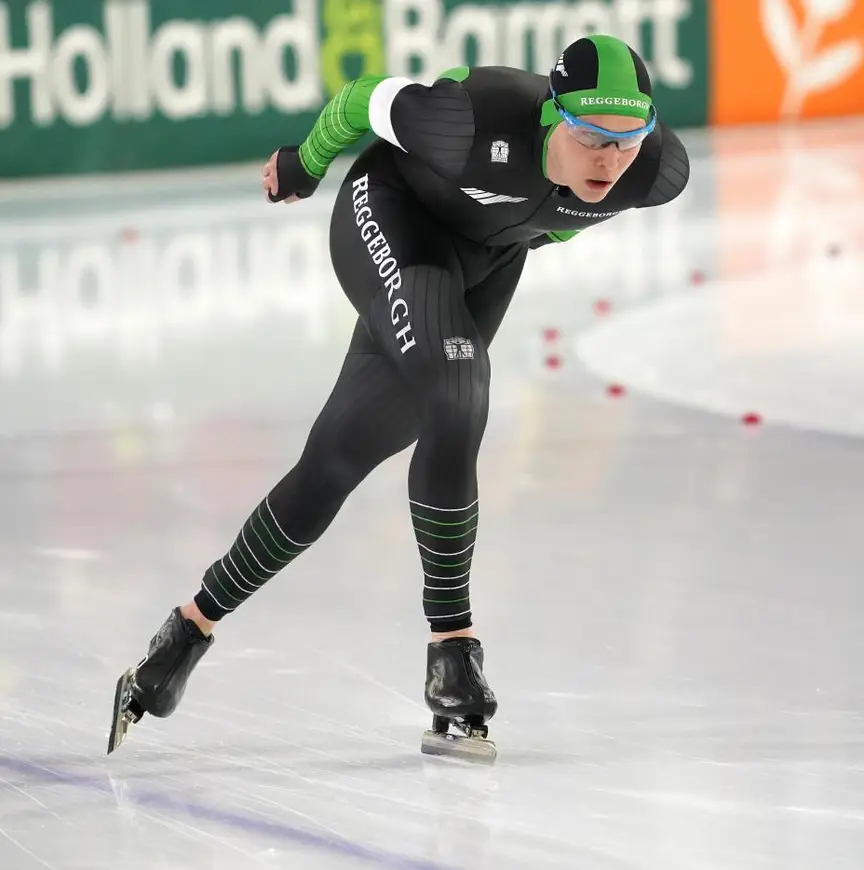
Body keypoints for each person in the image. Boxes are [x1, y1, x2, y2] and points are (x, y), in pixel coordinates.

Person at [108, 34, 690, 762]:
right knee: (458, 390)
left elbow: (562, 213)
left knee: (335, 460)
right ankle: (453, 652)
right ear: (551, 116)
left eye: (626, 140)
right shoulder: (468, 122)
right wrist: (304, 164)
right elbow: (361, 100)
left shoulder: (656, 171)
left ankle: (183, 633)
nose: (609, 159)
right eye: (592, 137)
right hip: (390, 213)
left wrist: (531, 227)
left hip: (484, 261)